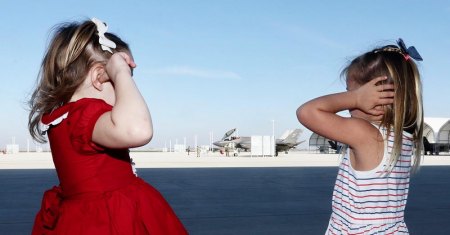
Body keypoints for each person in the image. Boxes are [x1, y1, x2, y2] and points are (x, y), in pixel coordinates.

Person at [28, 18, 188, 234]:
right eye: (123, 81)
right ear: (98, 77)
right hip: (111, 220)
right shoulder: (84, 115)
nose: (127, 89)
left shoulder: (63, 118)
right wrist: (122, 72)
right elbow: (138, 130)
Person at [297, 39, 423, 234]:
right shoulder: (403, 138)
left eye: (350, 92)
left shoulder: (365, 133)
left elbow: (307, 112)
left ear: (377, 97)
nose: (346, 103)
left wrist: (356, 98)